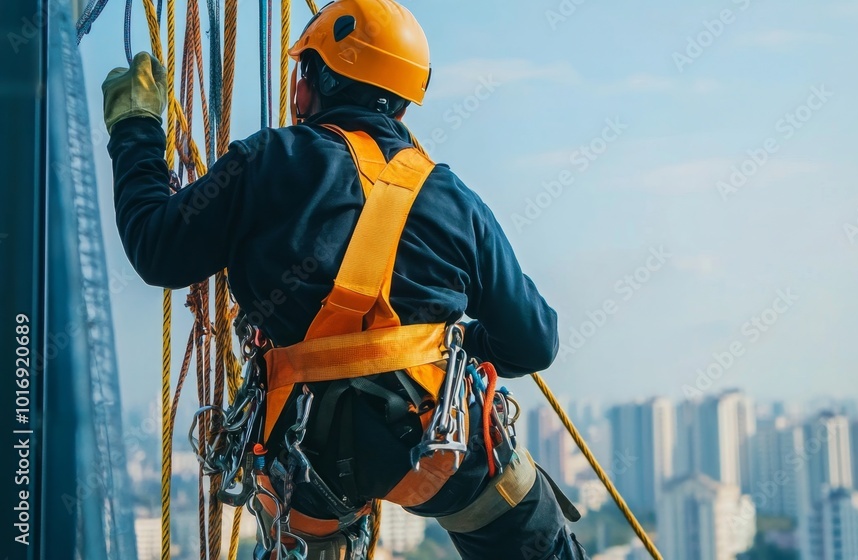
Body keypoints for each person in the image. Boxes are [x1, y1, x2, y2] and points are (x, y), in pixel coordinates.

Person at [102, 0, 589, 558]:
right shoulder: (453, 200)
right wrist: (445, 348)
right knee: (528, 529)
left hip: (306, 457)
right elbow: (533, 342)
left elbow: (156, 249)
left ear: (316, 82)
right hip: (436, 445)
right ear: (403, 105)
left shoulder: (267, 161)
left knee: (301, 534)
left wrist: (135, 127)